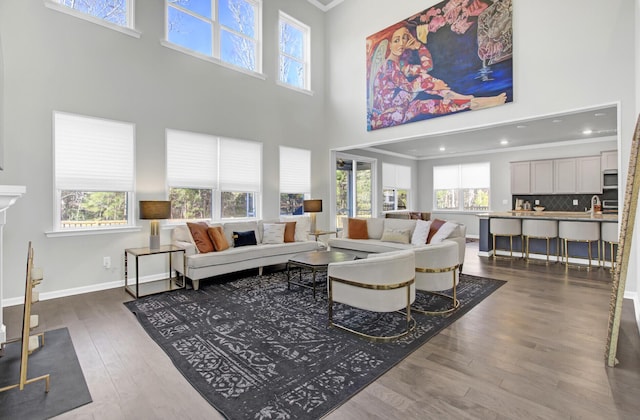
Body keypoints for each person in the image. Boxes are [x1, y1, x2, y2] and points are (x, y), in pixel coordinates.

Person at [370, 26, 506, 130]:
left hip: (397, 110)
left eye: (404, 39)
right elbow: (409, 87)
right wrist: (433, 85)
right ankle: (460, 97)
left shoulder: (401, 65)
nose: (401, 44)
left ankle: (473, 103)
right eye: (396, 40)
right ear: (390, 45)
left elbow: (427, 67)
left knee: (431, 101)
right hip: (385, 115)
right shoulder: (388, 66)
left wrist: (419, 46)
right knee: (423, 84)